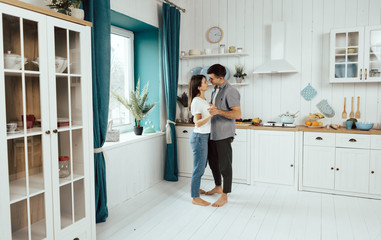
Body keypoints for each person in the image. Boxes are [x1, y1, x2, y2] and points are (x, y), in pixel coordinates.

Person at [206, 64, 241, 207]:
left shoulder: (231, 91)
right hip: (213, 133)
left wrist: (218, 111)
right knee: (213, 162)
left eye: (212, 78)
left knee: (225, 165)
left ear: (221, 78)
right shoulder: (215, 89)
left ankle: (225, 195)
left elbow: (237, 114)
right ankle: (218, 187)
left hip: (224, 134)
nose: (209, 81)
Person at [188, 74, 213, 206]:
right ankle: (195, 197)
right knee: (199, 168)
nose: (207, 83)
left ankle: (195, 188)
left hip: (204, 136)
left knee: (202, 166)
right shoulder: (197, 101)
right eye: (204, 82)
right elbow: (197, 123)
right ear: (199, 87)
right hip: (199, 137)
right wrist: (211, 115)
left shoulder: (203, 100)